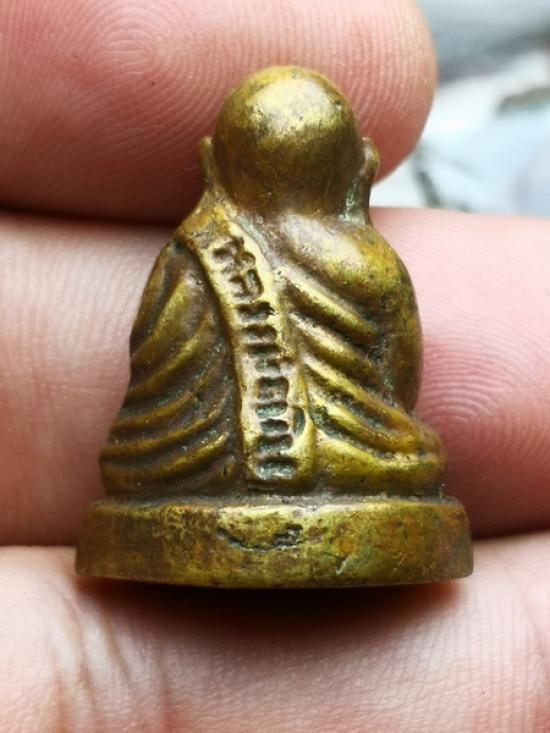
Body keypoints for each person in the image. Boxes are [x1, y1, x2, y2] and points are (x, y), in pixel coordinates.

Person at [0, 0, 549, 730]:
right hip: (357, 463)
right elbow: (396, 384)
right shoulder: (367, 263)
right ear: (355, 169)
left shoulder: (186, 257)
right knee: (407, 451)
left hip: (176, 472)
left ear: (212, 165)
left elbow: (150, 367)